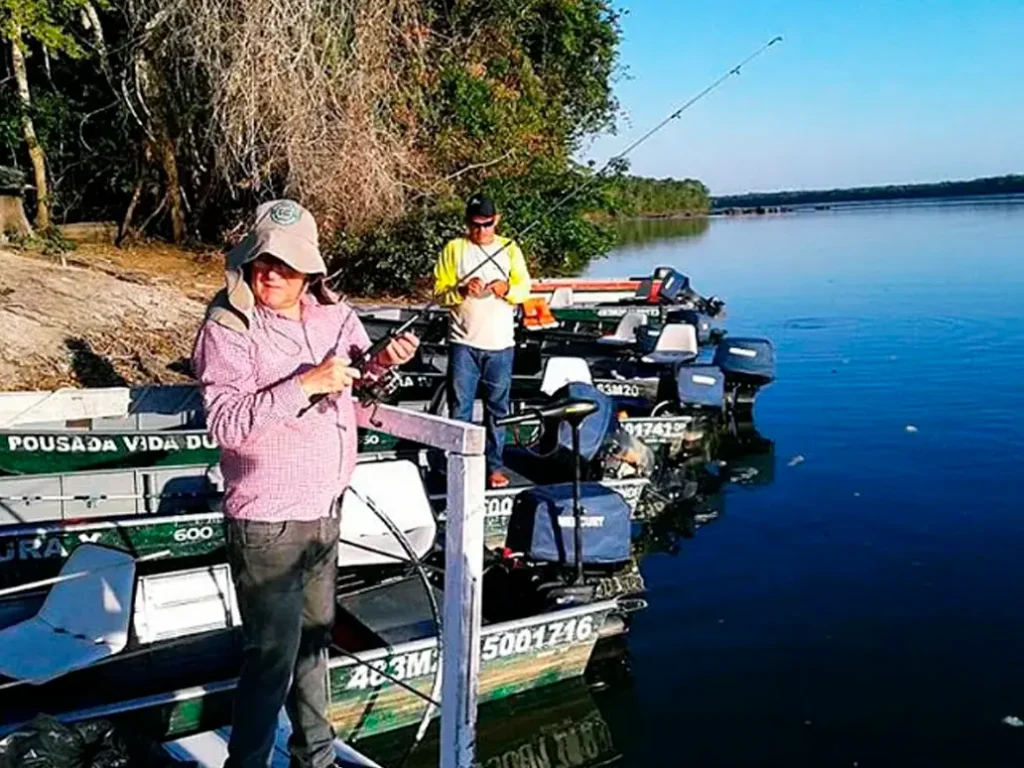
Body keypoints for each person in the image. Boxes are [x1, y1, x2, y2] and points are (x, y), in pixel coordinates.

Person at [191, 199, 418, 768]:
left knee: (315, 646)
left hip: (326, 509)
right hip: (267, 522)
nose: (270, 272)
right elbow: (227, 425)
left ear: (310, 272)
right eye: (262, 260)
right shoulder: (228, 326)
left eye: (286, 266)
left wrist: (383, 361)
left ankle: (313, 759)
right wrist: (304, 383)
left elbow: (361, 385)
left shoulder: (336, 318)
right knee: (270, 660)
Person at [434, 193, 531, 489]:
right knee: (460, 407)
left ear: (496, 220)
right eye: (475, 225)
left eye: (487, 224)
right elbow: (439, 293)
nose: (481, 231)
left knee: (497, 409)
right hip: (463, 343)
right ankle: (459, 465)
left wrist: (506, 289)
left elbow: (524, 288)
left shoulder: (510, 249)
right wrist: (461, 290)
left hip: (501, 345)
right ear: (467, 223)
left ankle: (495, 466)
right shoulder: (454, 249)